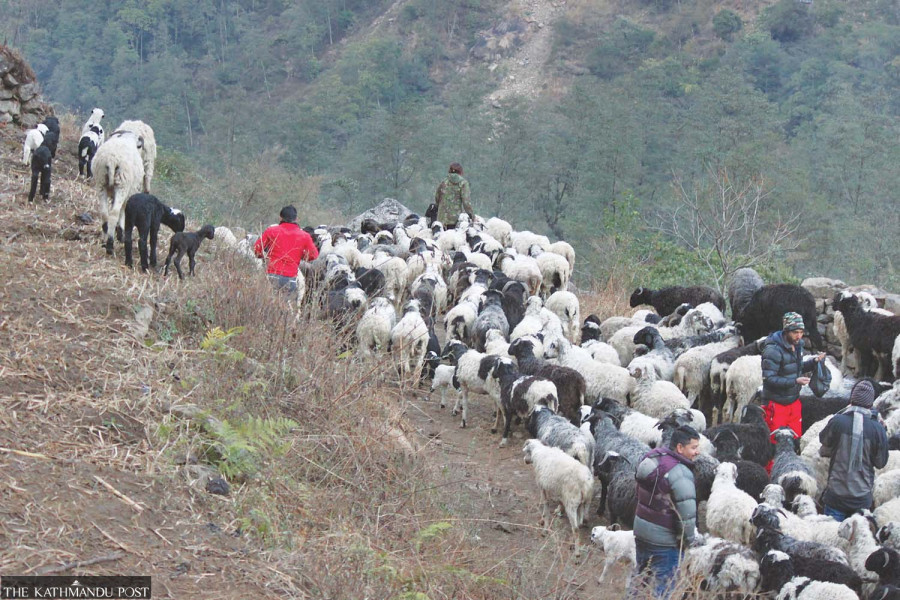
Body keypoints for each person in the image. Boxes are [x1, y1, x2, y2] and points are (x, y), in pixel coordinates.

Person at [631, 425, 700, 599]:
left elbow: (638, 493)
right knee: (664, 589)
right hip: (665, 542)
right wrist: (687, 543)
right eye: (693, 447)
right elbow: (687, 516)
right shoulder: (681, 473)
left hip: (641, 533)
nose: (696, 452)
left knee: (640, 581)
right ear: (679, 447)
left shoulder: (652, 458)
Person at [760, 311, 825, 471]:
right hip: (775, 404)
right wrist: (794, 381)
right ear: (786, 331)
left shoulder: (797, 346)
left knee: (795, 439)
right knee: (774, 442)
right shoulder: (772, 350)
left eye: (801, 332)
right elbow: (769, 378)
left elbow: (796, 367)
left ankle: (791, 471)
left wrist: (814, 362)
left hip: (793, 402)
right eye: (795, 332)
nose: (799, 336)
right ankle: (771, 476)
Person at [819, 380, 889, 521]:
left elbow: (823, 441)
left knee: (830, 538)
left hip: (836, 496)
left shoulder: (838, 421)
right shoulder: (877, 429)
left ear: (852, 399)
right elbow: (881, 462)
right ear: (871, 403)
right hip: (861, 499)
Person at [254, 205, 319, 299]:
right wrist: (300, 255)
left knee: (267, 307)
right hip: (291, 279)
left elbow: (257, 249)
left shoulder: (271, 231)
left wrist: (265, 256)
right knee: (287, 309)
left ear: (280, 217)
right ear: (297, 219)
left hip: (271, 276)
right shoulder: (304, 235)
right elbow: (314, 255)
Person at [433, 162, 474, 228]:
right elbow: (466, 202)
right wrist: (472, 217)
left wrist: (439, 207)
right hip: (455, 219)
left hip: (441, 219)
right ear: (460, 171)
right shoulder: (463, 183)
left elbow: (437, 197)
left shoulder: (444, 182)